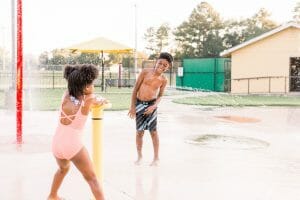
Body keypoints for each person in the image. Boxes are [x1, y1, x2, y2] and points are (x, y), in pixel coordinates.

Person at [48, 64, 107, 200]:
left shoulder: (66, 95)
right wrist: (101, 99)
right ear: (86, 87)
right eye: (93, 84)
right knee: (92, 178)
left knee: (63, 169)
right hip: (72, 145)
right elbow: (100, 100)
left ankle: (52, 195)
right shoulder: (89, 99)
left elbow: (80, 94)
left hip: (57, 143)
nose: (94, 87)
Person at [128, 52, 173, 166]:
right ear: (156, 62)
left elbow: (160, 95)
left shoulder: (163, 80)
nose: (161, 66)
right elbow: (135, 89)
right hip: (139, 104)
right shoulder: (145, 72)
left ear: (168, 67)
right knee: (139, 132)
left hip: (151, 105)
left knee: (153, 132)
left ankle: (156, 158)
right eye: (160, 63)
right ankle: (139, 156)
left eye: (165, 65)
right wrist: (132, 106)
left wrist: (154, 106)